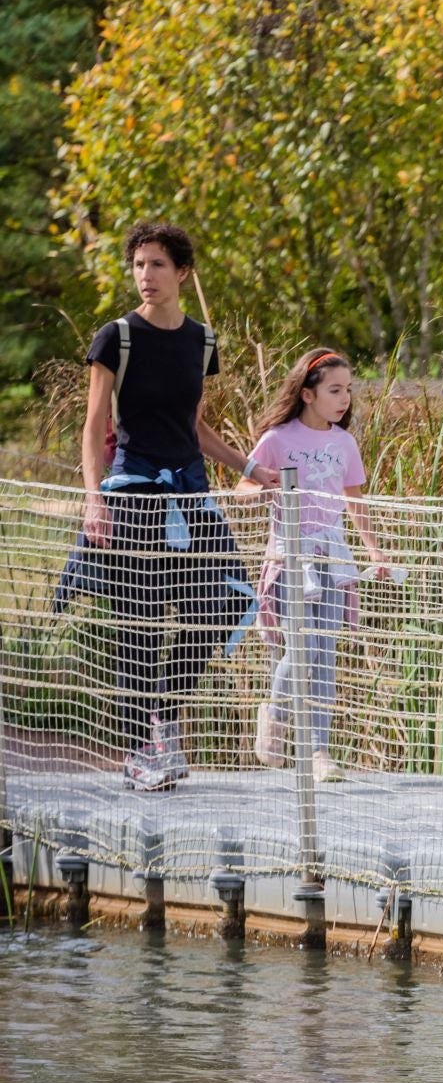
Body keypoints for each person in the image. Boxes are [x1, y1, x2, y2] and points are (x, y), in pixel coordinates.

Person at [79, 221, 275, 792]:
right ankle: (142, 750)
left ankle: (163, 710)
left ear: (182, 272)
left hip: (191, 493)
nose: (146, 276)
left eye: (157, 265)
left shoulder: (202, 340)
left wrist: (247, 467)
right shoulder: (115, 337)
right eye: (139, 265)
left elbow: (195, 425)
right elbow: (94, 426)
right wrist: (95, 499)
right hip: (132, 493)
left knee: (224, 601)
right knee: (137, 623)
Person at [239, 349, 392, 784]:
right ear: (307, 394)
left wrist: (373, 549)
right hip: (289, 555)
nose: (345, 399)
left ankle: (319, 751)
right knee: (300, 646)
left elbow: (354, 501)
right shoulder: (278, 438)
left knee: (325, 655)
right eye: (334, 390)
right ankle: (275, 709)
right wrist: (261, 487)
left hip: (332, 556)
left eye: (348, 390)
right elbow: (244, 484)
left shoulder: (344, 443)